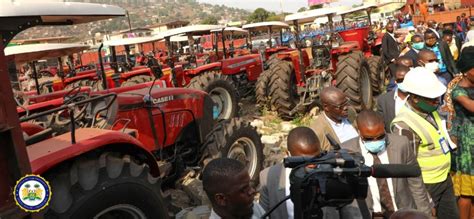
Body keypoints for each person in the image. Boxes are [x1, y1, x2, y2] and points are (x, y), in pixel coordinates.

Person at [391, 67, 460, 219]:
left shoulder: (429, 111)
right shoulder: (404, 126)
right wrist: (425, 202)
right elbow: (408, 169)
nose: (437, 101)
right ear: (415, 98)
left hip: (443, 179)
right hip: (426, 186)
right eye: (432, 98)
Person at [342, 110, 432, 217]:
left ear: (384, 127)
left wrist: (425, 213)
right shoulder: (346, 151)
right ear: (359, 132)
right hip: (371, 214)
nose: (375, 141)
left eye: (380, 137)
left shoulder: (401, 144)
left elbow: (415, 182)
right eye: (369, 138)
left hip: (402, 213)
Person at [444, 46, 474, 219]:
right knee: (466, 194)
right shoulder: (458, 91)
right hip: (466, 147)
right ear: (467, 71)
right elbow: (471, 107)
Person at [310, 87, 358, 151]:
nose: (346, 108)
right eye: (340, 106)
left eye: (346, 102)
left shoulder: (350, 113)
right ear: (326, 107)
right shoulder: (318, 130)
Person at [377, 65, 410, 131]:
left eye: (407, 80)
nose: (404, 82)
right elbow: (381, 124)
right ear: (395, 81)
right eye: (400, 80)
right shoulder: (383, 100)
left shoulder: (418, 99)